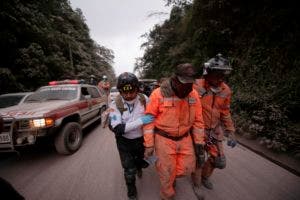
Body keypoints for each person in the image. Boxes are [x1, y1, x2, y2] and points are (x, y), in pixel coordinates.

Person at [143, 63, 205, 200]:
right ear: (175, 80)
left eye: (190, 84)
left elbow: (198, 121)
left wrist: (199, 142)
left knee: (188, 168)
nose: (188, 88)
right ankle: (167, 195)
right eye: (185, 84)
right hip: (164, 139)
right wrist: (149, 144)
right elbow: (148, 120)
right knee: (166, 173)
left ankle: (172, 177)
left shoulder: (193, 94)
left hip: (185, 138)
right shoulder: (158, 94)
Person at [192, 53, 237, 190]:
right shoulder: (196, 85)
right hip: (198, 129)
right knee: (199, 159)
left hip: (214, 131)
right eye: (217, 73)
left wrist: (231, 131)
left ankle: (205, 176)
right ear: (208, 72)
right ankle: (197, 184)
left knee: (219, 161)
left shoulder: (226, 90)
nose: (220, 78)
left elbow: (225, 112)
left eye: (223, 74)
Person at [108, 72, 154, 200]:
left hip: (141, 140)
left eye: (131, 92)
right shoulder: (114, 105)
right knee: (129, 170)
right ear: (120, 91)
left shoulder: (144, 99)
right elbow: (118, 128)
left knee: (142, 162)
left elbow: (153, 119)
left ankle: (139, 166)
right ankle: (131, 191)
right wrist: (141, 121)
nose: (128, 95)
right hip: (124, 142)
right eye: (124, 92)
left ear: (137, 89)